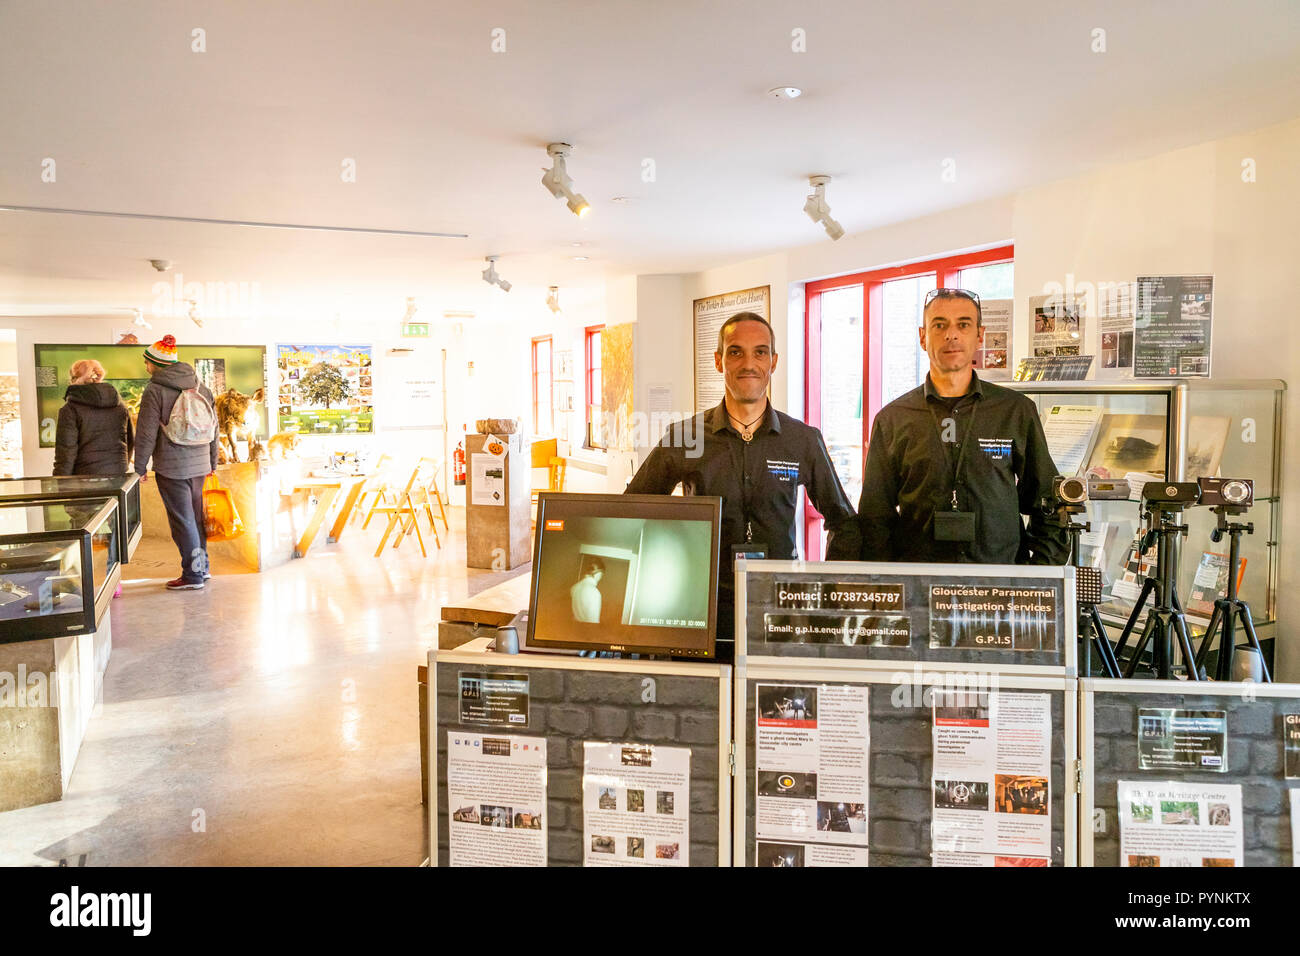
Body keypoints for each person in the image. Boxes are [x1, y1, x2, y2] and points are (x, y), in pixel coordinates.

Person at [626, 312, 860, 659]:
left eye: (760, 352)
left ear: (773, 362)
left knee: (775, 708)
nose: (748, 363)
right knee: (702, 708)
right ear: (719, 361)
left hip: (780, 608)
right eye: (736, 352)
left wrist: (825, 591)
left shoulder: (802, 440)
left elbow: (844, 521)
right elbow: (632, 511)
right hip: (702, 609)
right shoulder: (686, 437)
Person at [856, 289, 1068, 565]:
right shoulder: (893, 419)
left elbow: (1047, 501)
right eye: (940, 325)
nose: (951, 335)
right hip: (922, 589)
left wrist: (1038, 576)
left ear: (980, 335)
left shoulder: (1015, 410)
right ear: (923, 336)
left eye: (963, 325)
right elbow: (875, 516)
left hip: (999, 588)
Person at [132, 334, 220, 591]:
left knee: (183, 521)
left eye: (147, 362)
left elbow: (146, 432)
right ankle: (202, 569)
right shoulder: (201, 387)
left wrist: (139, 468)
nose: (146, 367)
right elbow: (215, 429)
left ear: (156, 363)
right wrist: (212, 461)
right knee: (195, 518)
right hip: (201, 464)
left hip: (173, 466)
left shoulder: (155, 389)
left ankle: (192, 576)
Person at [53, 359, 134, 476]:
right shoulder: (120, 406)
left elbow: (66, 451)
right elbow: (130, 440)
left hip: (85, 475)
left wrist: (60, 483)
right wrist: (122, 464)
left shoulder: (70, 409)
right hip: (117, 473)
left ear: (74, 379)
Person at [570, 558, 604, 623]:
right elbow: (593, 621)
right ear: (598, 574)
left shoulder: (574, 587)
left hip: (574, 627)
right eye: (602, 575)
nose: (601, 577)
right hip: (586, 630)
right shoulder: (594, 593)